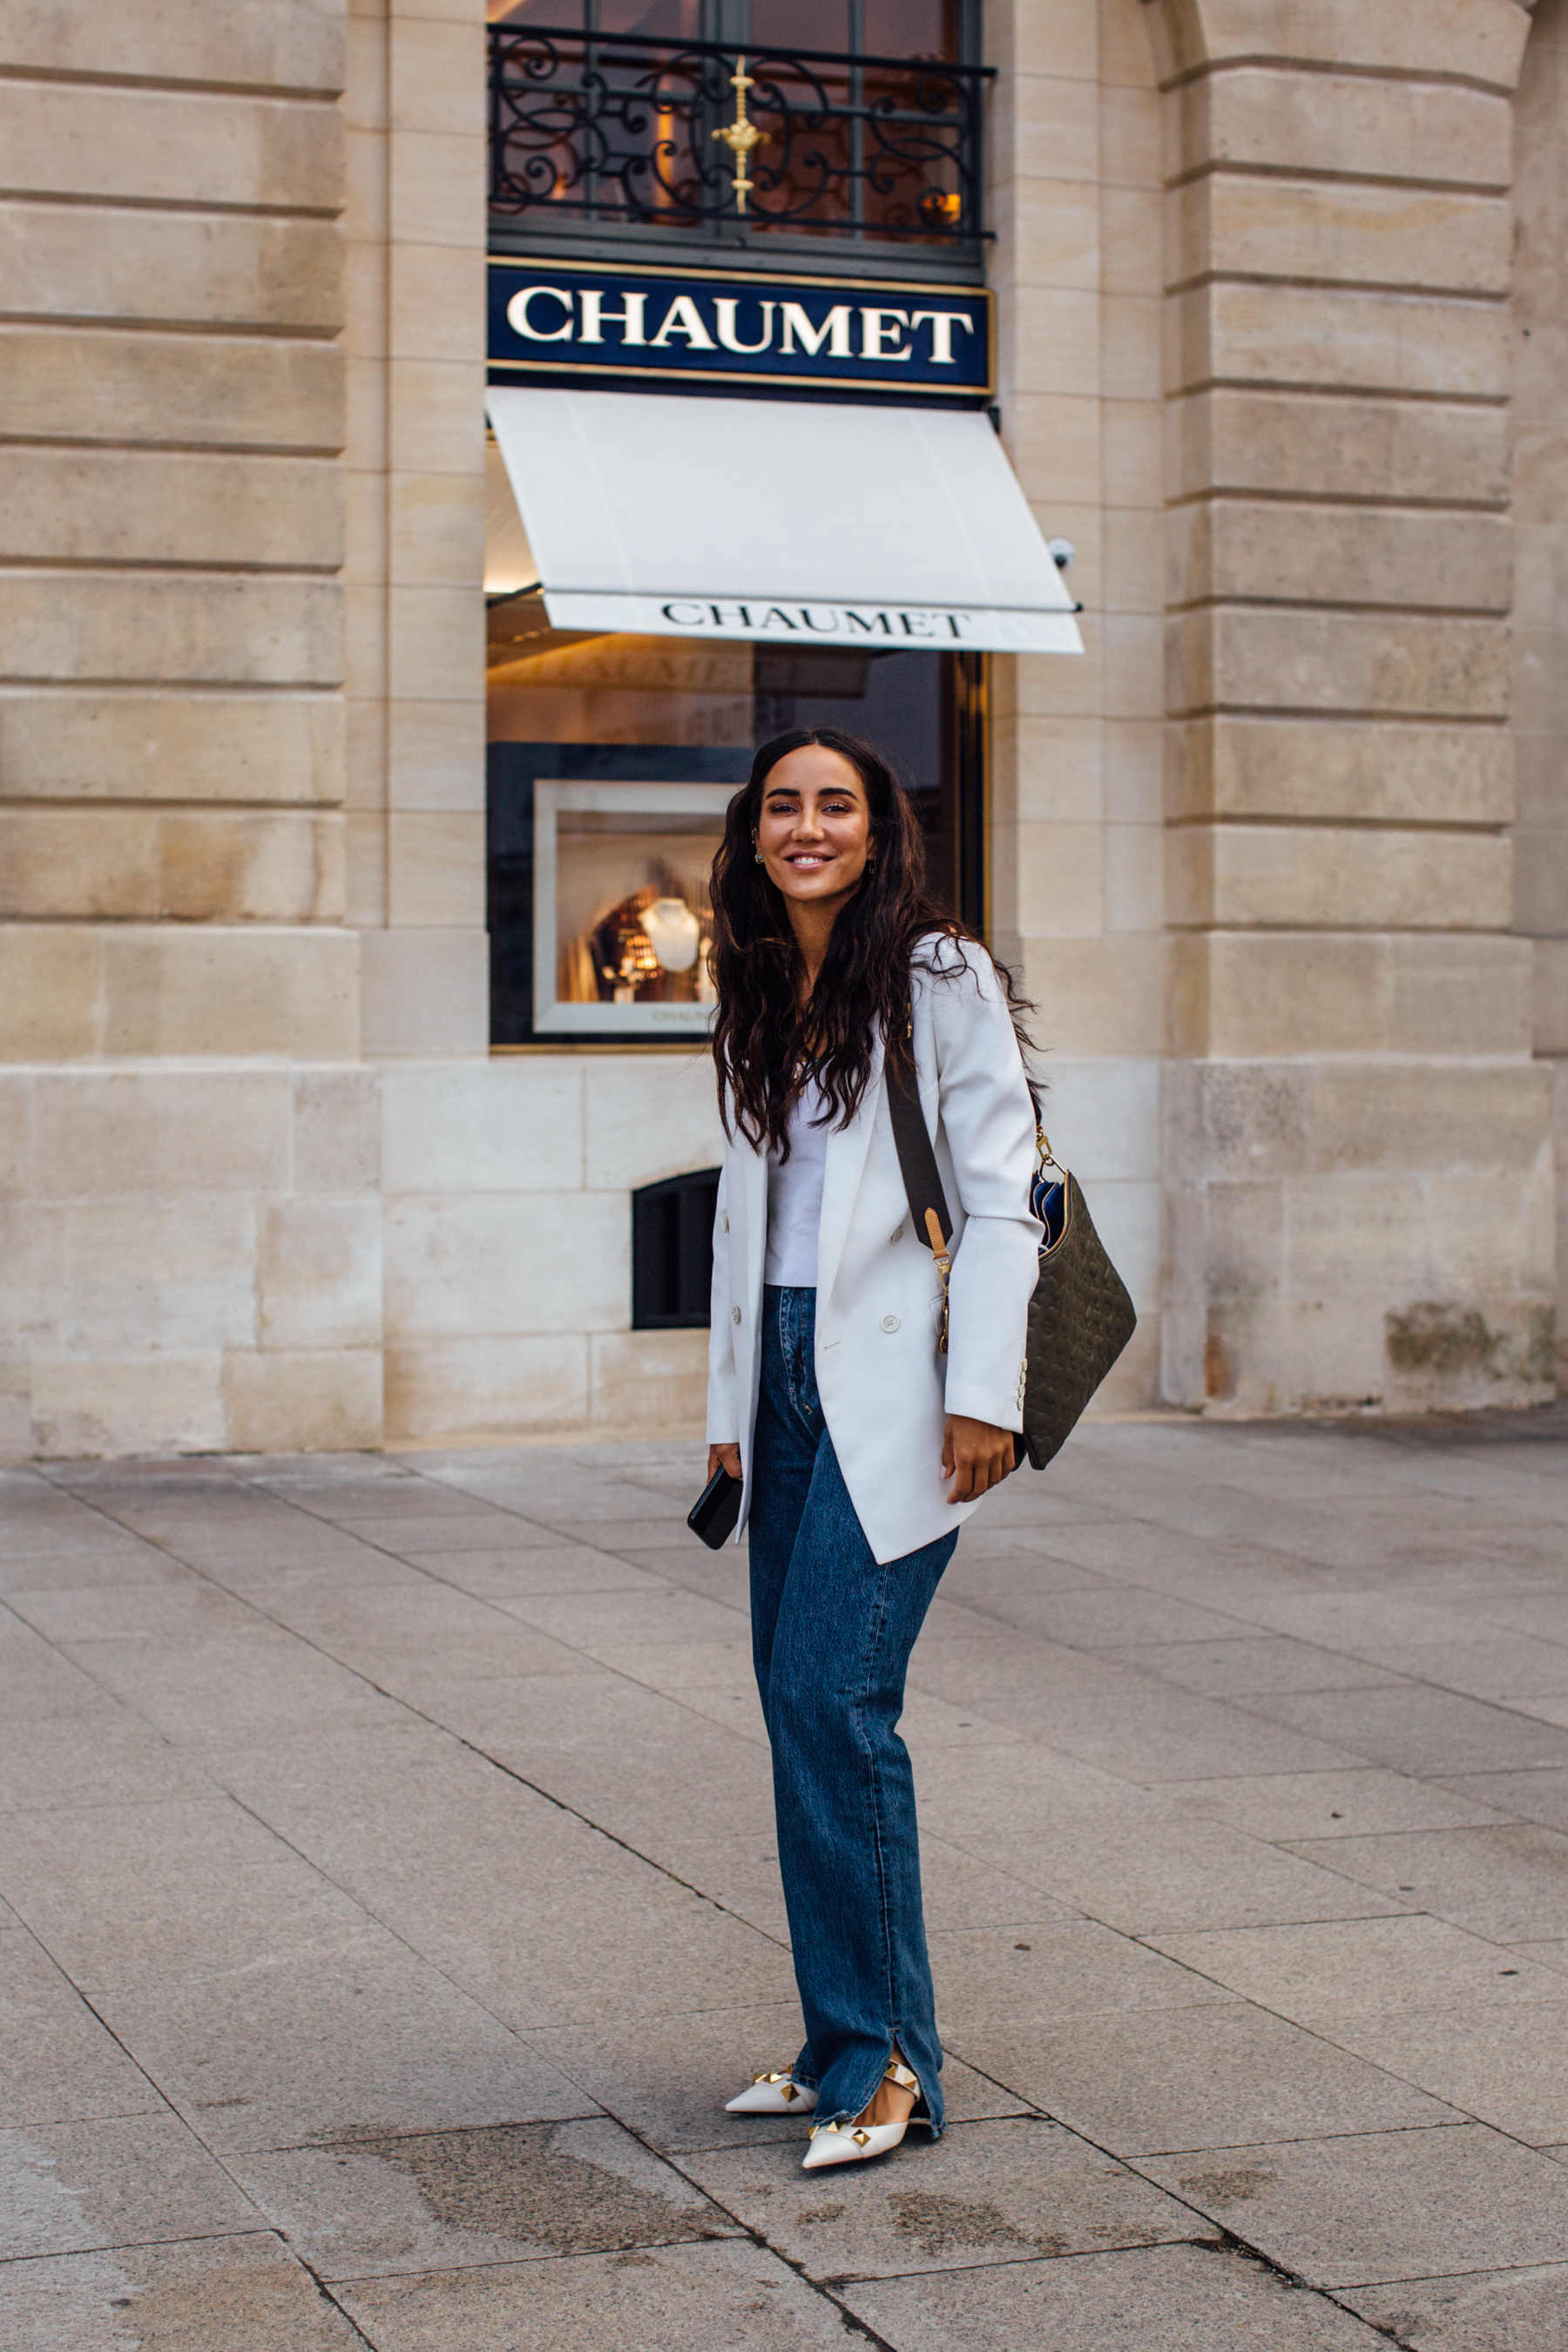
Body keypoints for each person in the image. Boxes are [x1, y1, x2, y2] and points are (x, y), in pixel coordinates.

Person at [703, 727, 1042, 2173]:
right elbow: (748, 1220)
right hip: (781, 1381)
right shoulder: (761, 978)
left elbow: (1008, 1194)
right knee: (795, 1706)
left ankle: (893, 2060)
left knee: (838, 1703)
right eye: (783, 804)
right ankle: (841, 2034)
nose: (808, 825)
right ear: (753, 832)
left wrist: (992, 1393)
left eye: (835, 803)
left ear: (879, 826)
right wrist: (727, 1411)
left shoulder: (935, 973)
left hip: (894, 1387)